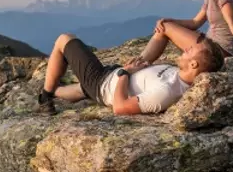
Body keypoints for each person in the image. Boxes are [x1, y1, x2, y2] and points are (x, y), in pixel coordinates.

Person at [36, 33, 223, 116]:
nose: (187, 48)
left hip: (102, 83)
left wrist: (125, 73)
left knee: (64, 39)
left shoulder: (166, 92)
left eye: (191, 50)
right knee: (77, 90)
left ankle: (45, 98)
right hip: (110, 77)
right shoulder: (179, 76)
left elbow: (119, 107)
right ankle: (54, 91)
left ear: (194, 64)